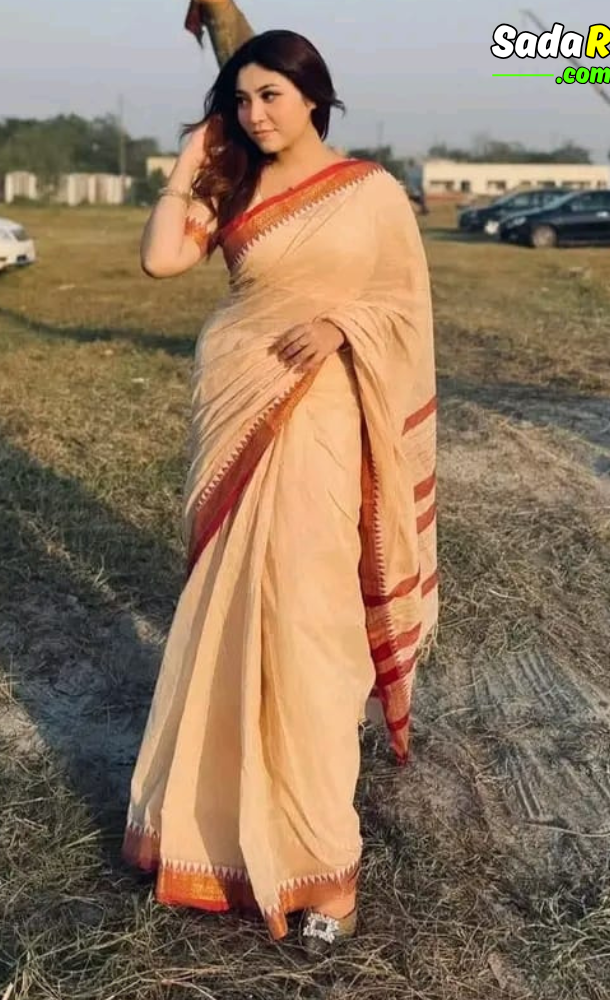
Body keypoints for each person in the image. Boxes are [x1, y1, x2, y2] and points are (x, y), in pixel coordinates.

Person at [122, 29, 438, 954]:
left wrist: (343, 325)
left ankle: (323, 863)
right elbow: (160, 262)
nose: (256, 114)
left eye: (272, 95)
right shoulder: (232, 186)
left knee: (311, 625)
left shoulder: (370, 191)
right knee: (227, 615)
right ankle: (213, 833)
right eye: (241, 99)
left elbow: (403, 307)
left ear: (313, 98)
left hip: (324, 413)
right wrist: (189, 165)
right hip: (236, 405)